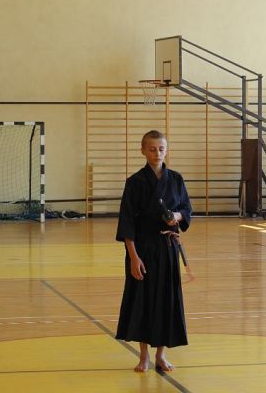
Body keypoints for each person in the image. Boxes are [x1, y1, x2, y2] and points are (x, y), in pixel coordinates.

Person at [115, 130, 192, 372]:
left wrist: (175, 217)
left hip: (167, 247)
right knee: (143, 300)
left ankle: (161, 355)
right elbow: (127, 223)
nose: (157, 153)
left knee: (166, 300)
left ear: (166, 150)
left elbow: (186, 210)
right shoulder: (135, 182)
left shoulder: (176, 179)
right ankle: (143, 356)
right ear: (143, 151)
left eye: (161, 149)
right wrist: (133, 257)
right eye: (152, 149)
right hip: (143, 249)